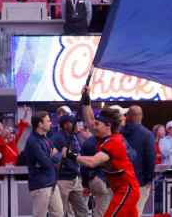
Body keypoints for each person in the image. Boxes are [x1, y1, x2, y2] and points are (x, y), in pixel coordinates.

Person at [72, 88, 141, 217]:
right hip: (117, 188)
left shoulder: (114, 142)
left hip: (126, 189)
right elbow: (90, 120)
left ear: (108, 125)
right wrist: (86, 99)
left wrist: (71, 156)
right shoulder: (102, 137)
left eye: (97, 124)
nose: (93, 126)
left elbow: (92, 162)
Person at [25, 111, 64, 217]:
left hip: (52, 182)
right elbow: (46, 163)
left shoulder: (46, 138)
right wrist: (51, 158)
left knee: (59, 214)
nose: (50, 123)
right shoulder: (32, 141)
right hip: (40, 185)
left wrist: (51, 157)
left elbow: (59, 156)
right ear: (40, 124)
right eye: (48, 121)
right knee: (39, 215)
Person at [120, 105, 156, 215]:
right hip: (138, 181)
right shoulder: (147, 134)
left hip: (119, 180)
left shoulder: (118, 132)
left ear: (128, 116)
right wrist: (148, 179)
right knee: (136, 211)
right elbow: (150, 158)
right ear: (141, 116)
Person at [52, 113, 87, 217]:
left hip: (75, 178)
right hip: (63, 179)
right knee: (61, 211)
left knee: (82, 210)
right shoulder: (58, 138)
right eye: (74, 122)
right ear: (66, 124)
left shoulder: (75, 137)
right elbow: (54, 157)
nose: (77, 125)